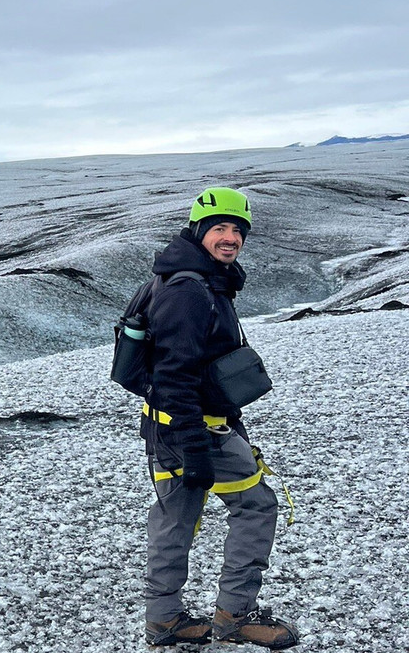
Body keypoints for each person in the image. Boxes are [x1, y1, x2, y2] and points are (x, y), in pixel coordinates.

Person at [141, 187, 298, 649]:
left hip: (171, 425)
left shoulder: (189, 276)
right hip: (194, 427)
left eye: (237, 230)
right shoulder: (190, 290)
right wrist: (195, 444)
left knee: (177, 517)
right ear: (199, 231)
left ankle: (164, 620)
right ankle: (236, 615)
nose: (229, 238)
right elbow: (173, 374)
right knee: (256, 506)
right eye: (220, 229)